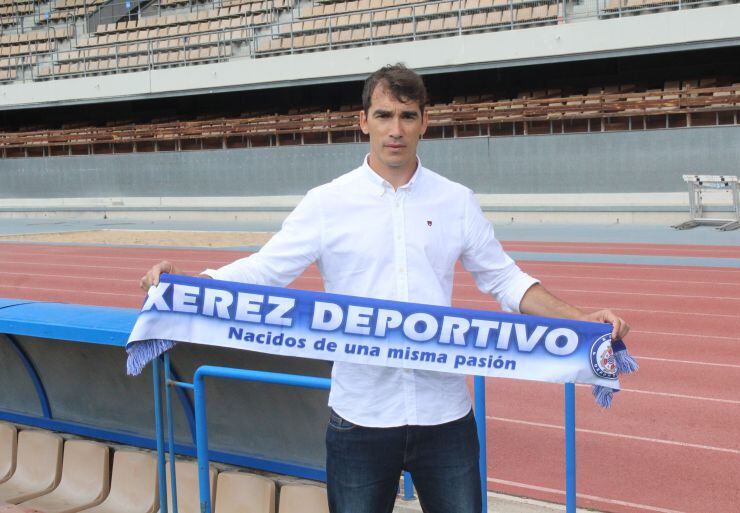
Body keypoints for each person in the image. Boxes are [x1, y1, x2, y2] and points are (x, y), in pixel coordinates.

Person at [140, 64, 630, 513]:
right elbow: (268, 269)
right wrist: (192, 286)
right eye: (384, 115)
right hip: (360, 417)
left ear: (424, 123)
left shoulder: (456, 201)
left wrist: (575, 316)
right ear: (363, 120)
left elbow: (503, 278)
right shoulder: (327, 203)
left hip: (445, 417)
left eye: (407, 116)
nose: (396, 130)